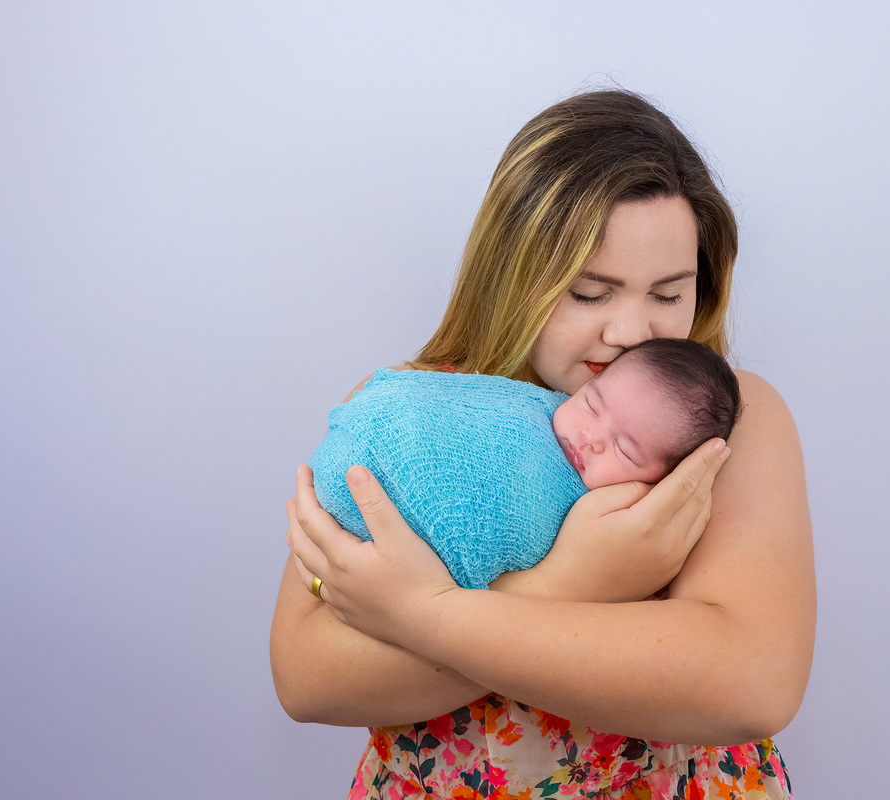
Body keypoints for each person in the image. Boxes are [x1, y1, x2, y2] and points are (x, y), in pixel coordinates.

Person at [271, 89, 815, 800]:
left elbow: (751, 681)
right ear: (514, 272)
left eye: (668, 293)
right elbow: (306, 677)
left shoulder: (727, 427)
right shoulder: (410, 414)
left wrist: (420, 614)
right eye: (591, 293)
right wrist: (572, 582)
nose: (632, 332)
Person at [308, 338, 742, 589]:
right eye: (591, 404)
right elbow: (302, 686)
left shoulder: (647, 523)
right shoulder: (505, 399)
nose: (589, 438)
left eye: (625, 451)